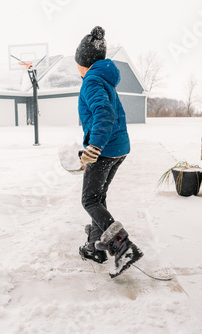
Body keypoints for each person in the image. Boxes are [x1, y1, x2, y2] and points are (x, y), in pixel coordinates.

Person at [75, 26, 143, 278]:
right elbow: (105, 115)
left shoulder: (92, 80)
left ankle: (122, 247)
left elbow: (104, 114)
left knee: (90, 200)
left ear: (85, 62)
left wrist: (94, 147)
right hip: (117, 148)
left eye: (78, 64)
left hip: (105, 149)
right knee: (98, 197)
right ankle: (94, 247)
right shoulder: (105, 79)